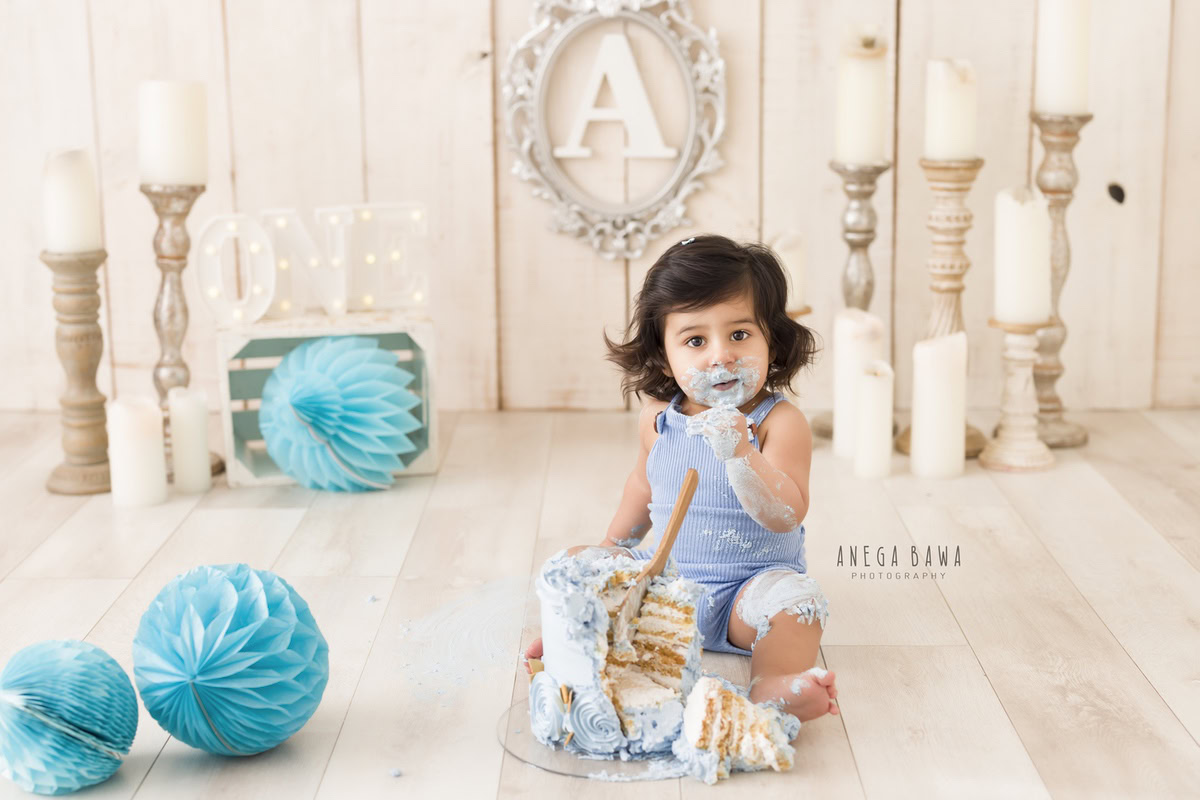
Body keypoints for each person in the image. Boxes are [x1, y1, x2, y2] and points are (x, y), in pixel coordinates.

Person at [524, 234, 839, 725]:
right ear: (663, 354)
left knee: (799, 605)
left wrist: (740, 454)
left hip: (745, 597)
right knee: (577, 564)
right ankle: (580, 636)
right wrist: (610, 555)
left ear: (771, 338)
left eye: (739, 335)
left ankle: (771, 683)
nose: (720, 356)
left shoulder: (779, 423)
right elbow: (642, 487)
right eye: (695, 340)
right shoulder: (659, 419)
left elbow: (786, 514)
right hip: (666, 587)